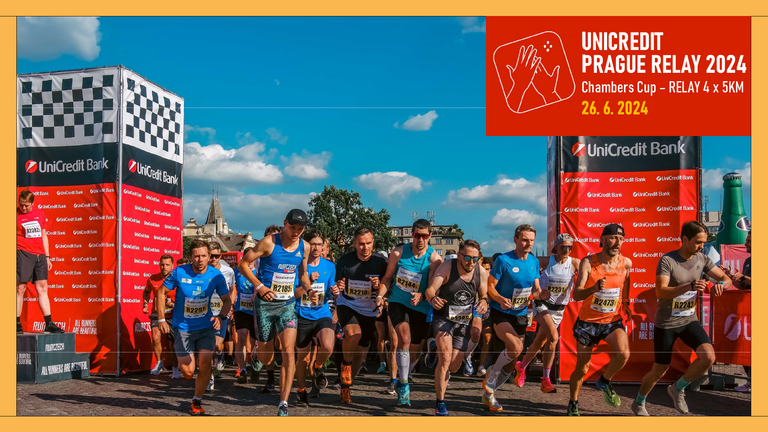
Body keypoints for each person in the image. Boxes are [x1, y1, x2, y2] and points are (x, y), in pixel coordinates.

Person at [633, 221, 731, 416]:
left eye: (703, 242)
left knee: (708, 357)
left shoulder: (702, 259)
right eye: (698, 242)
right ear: (685, 239)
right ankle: (639, 402)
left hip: (689, 320)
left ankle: (677, 388)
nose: (702, 246)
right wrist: (689, 287)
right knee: (659, 369)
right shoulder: (668, 261)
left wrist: (721, 285)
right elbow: (661, 291)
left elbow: (725, 279)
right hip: (667, 323)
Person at [238, 210, 312, 416]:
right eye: (293, 227)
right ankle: (258, 352)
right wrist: (260, 286)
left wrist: (309, 289)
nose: (296, 232)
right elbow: (243, 264)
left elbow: (303, 274)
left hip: (287, 304)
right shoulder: (269, 243)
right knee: (266, 357)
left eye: (300, 229)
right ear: (284, 224)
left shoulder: (304, 247)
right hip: (265, 305)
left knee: (289, 351)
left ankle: (283, 402)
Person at [157, 240, 231, 415]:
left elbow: (227, 300)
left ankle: (196, 400)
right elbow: (161, 292)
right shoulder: (179, 272)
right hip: (183, 328)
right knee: (188, 372)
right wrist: (161, 319)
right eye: (196, 256)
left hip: (206, 327)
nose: (200, 259)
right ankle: (189, 366)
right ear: (191, 257)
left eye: (204, 256)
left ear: (209, 256)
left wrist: (221, 317)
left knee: (205, 365)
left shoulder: (216, 275)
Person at [567, 223, 633, 416]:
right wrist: (594, 288)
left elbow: (627, 280)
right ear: (602, 240)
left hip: (612, 320)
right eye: (613, 238)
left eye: (621, 239)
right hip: (588, 322)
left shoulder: (626, 263)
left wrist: (626, 302)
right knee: (582, 368)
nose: (617, 242)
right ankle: (573, 401)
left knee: (623, 354)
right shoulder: (588, 262)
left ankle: (604, 381)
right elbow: (577, 294)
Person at [481, 224, 545, 412]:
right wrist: (500, 299)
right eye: (524, 240)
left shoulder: (533, 262)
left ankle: (489, 395)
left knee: (512, 361)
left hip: (521, 314)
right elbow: (490, 287)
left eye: (531, 240)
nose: (528, 244)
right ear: (515, 239)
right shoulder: (504, 260)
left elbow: (536, 290)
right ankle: (492, 373)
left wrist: (542, 294)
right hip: (501, 312)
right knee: (516, 347)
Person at [380, 219, 442, 406]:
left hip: (420, 306)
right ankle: (404, 384)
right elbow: (387, 278)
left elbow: (432, 288)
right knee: (404, 339)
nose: (420, 240)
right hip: (398, 302)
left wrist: (422, 295)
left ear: (430, 236)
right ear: (412, 235)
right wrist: (380, 295)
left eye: (424, 236)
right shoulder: (398, 253)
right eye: (416, 235)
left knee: (414, 351)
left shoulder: (434, 259)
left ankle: (403, 376)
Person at [425, 239, 488, 416]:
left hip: (464, 322)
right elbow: (430, 290)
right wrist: (433, 298)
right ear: (459, 256)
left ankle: (433, 348)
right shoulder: (447, 267)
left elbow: (484, 294)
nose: (471, 262)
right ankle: (440, 403)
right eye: (467, 258)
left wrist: (484, 302)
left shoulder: (481, 272)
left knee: (453, 367)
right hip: (443, 318)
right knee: (445, 359)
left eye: (475, 258)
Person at [516, 233, 580, 393]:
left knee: (539, 342)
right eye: (563, 247)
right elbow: (527, 269)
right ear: (556, 247)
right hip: (542, 305)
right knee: (553, 337)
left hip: (559, 309)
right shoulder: (545, 261)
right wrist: (535, 290)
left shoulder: (574, 263)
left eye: (570, 247)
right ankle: (545, 379)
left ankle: (521, 366)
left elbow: (587, 274)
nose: (567, 250)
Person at [334, 227, 389, 403]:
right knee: (353, 334)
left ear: (373, 243)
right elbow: (336, 284)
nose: (365, 247)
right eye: (361, 244)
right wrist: (338, 286)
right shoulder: (345, 261)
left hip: (368, 310)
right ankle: (345, 363)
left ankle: (346, 386)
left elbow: (387, 285)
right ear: (355, 244)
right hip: (348, 304)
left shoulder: (381, 262)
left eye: (368, 243)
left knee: (360, 353)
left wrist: (379, 287)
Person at [295, 230, 338, 406]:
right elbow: (294, 294)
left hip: (322, 313)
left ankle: (318, 366)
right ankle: (301, 391)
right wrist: (309, 283)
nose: (316, 248)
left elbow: (331, 290)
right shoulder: (299, 266)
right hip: (302, 314)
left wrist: (335, 291)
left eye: (320, 244)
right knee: (303, 359)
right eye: (313, 244)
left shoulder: (329, 266)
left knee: (327, 346)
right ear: (307, 245)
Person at [16, 190, 63, 334]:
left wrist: (47, 256)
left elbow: (44, 235)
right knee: (20, 288)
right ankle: (16, 323)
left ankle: (49, 323)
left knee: (42, 288)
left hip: (40, 255)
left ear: (33, 203)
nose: (24, 208)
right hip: (22, 252)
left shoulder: (40, 214)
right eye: (21, 205)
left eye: (27, 205)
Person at [723, 230, 751, 392]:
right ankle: (750, 381)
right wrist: (733, 278)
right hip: (748, 311)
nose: (746, 244)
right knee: (747, 348)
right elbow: (742, 286)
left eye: (749, 241)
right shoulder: (748, 261)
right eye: (747, 240)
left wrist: (744, 278)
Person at [208, 242, 236, 389]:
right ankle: (210, 377)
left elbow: (233, 289)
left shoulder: (228, 271)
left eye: (217, 256)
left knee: (217, 345)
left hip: (221, 312)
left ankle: (220, 355)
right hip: (206, 313)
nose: (213, 259)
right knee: (208, 346)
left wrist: (230, 305)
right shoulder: (202, 270)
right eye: (211, 256)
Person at [143, 254, 176, 376]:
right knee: (156, 338)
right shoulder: (153, 279)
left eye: (167, 265)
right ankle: (159, 362)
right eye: (162, 264)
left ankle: (175, 368)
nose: (164, 267)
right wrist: (145, 303)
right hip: (157, 313)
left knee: (172, 343)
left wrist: (172, 304)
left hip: (172, 314)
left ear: (172, 266)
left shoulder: (176, 279)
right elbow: (146, 291)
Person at [233, 247, 258, 384]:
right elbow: (232, 288)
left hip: (256, 310)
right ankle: (242, 369)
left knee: (255, 341)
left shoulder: (259, 271)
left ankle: (253, 361)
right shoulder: (237, 271)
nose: (250, 260)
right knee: (241, 337)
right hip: (241, 309)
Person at [469, 256, 494, 377]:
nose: (486, 271)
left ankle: (481, 366)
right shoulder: (475, 280)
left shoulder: (493, 282)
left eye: (488, 269)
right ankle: (468, 358)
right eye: (484, 268)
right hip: (472, 314)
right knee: (473, 336)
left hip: (488, 315)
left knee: (487, 337)